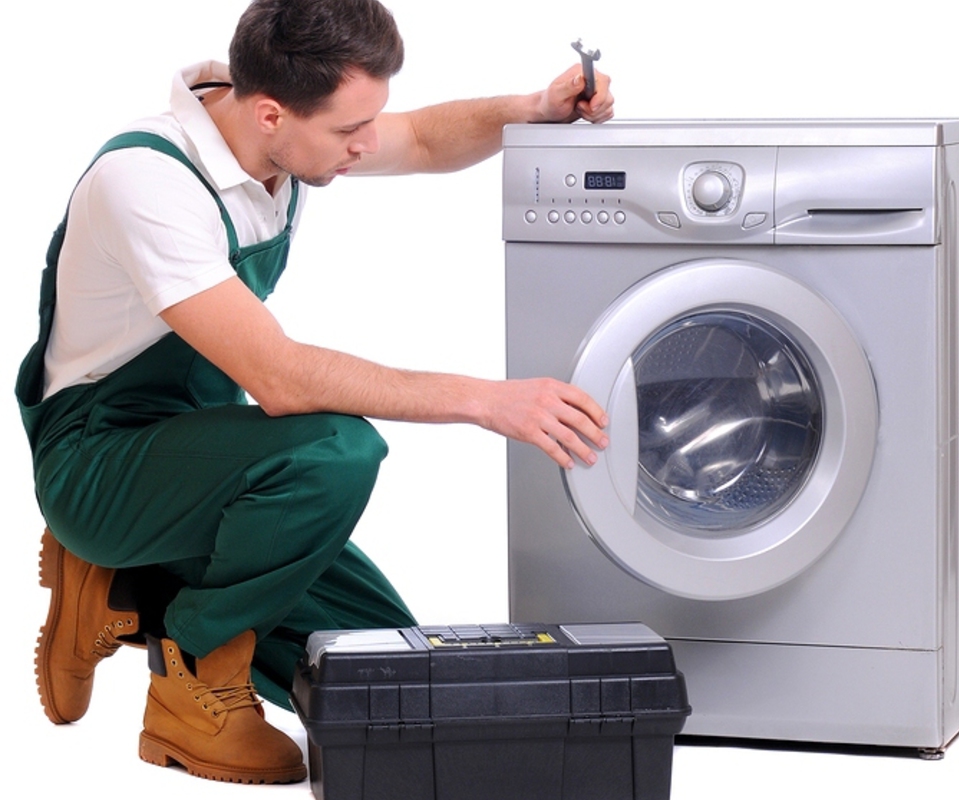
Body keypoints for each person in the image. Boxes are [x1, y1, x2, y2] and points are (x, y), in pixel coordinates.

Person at [16, 0, 613, 787]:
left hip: (205, 462)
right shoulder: (148, 182)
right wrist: (484, 400)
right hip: (100, 461)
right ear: (271, 114)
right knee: (335, 450)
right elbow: (281, 379)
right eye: (349, 131)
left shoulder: (283, 137)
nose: (365, 145)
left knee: (383, 663)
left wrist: (532, 109)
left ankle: (127, 585)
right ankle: (189, 677)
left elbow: (423, 138)